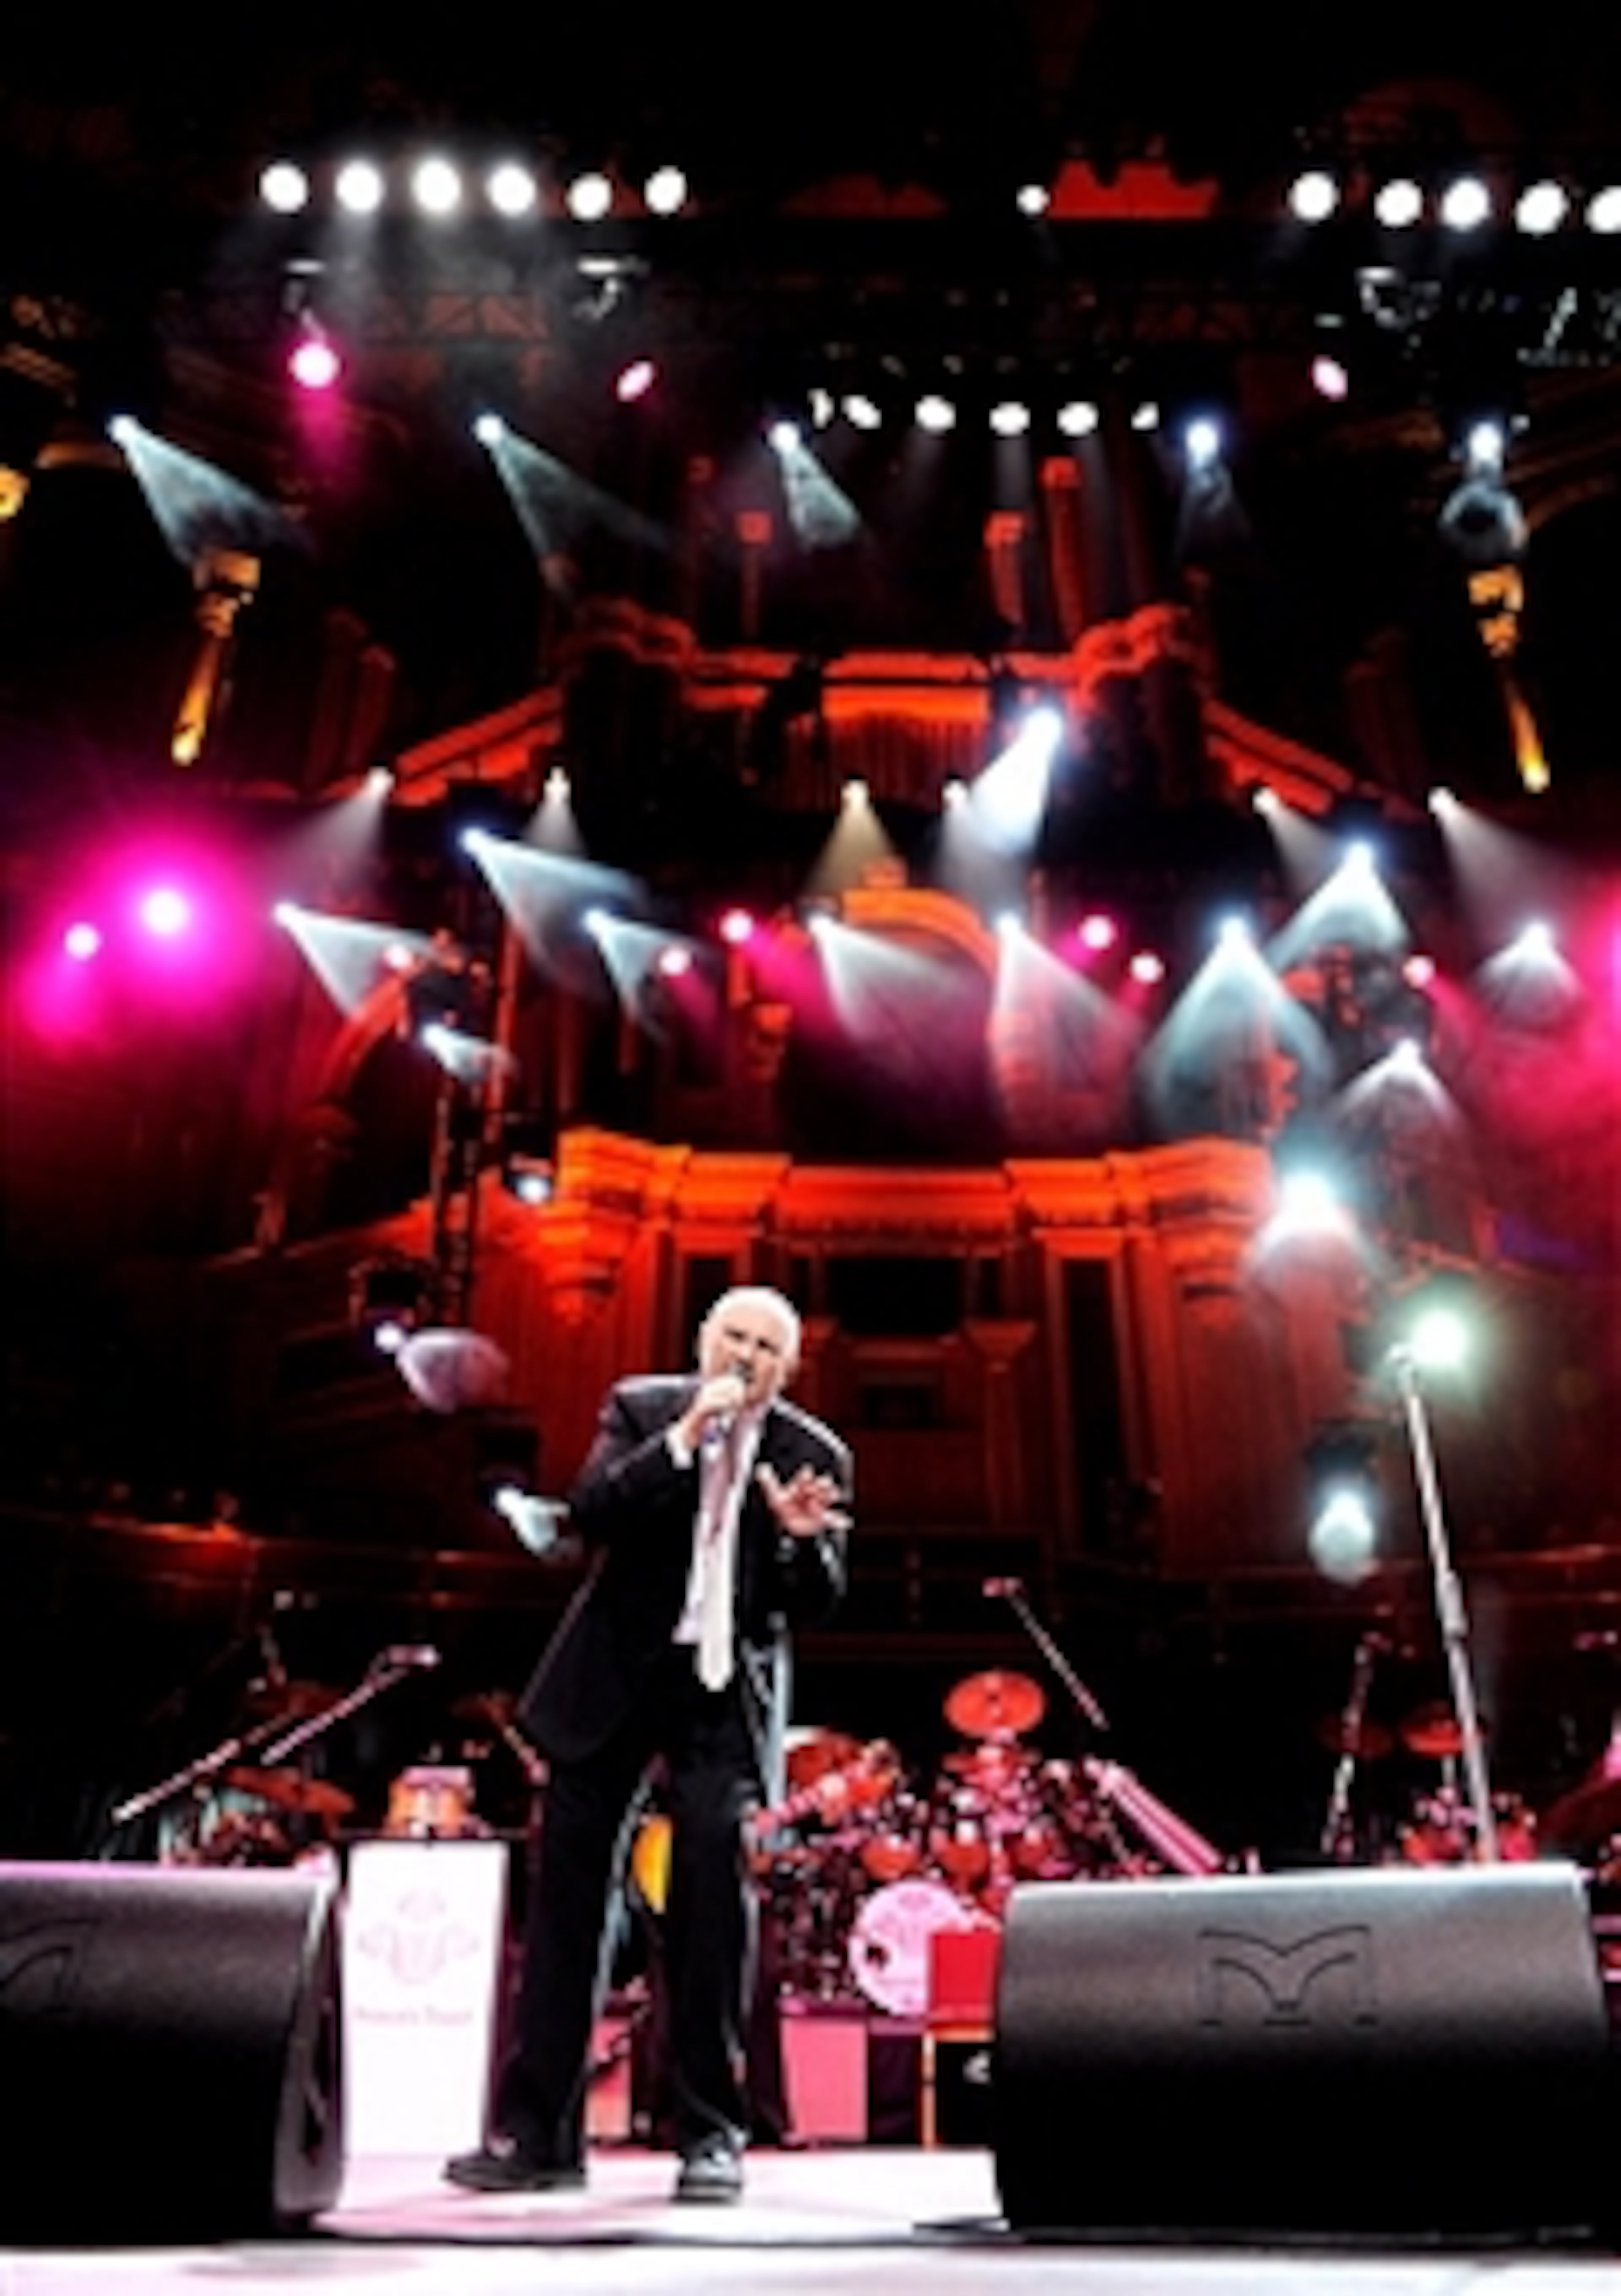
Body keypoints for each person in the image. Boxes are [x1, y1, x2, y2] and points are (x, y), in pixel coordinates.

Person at [446, 1285, 851, 2204]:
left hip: (720, 1694)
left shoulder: (812, 1452)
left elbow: (818, 1598)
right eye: (734, 1337)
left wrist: (793, 1541)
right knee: (570, 1905)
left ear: (787, 1368)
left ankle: (710, 2135)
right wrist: (680, 1445)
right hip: (614, 1680)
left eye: (766, 1347)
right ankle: (538, 2134)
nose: (745, 1355)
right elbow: (592, 1510)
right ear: (706, 1342)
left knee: (714, 1904)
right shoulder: (642, 1408)